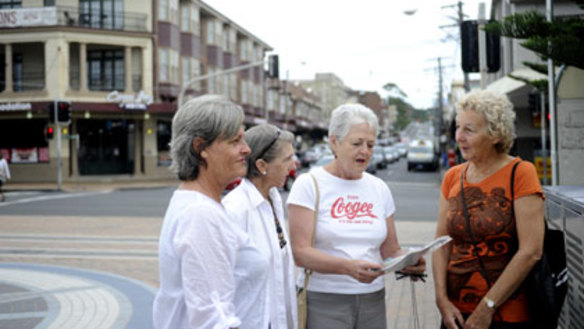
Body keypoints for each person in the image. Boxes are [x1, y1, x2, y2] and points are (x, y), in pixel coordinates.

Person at [287, 103, 426, 329]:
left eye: (370, 144)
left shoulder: (379, 188)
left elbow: (390, 251)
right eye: (356, 143)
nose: (365, 151)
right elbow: (300, 253)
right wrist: (348, 268)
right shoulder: (309, 184)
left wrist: (409, 261)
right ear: (334, 142)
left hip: (373, 299)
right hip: (325, 300)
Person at [153, 95, 269, 329]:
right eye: (235, 141)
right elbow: (212, 319)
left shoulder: (202, 205)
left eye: (244, 139)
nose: (246, 149)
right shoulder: (200, 215)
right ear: (200, 147)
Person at [432, 90, 545, 329]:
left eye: (469, 130)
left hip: (507, 315)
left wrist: (487, 308)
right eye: (458, 127)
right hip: (456, 314)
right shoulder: (453, 176)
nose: (459, 137)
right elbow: (442, 243)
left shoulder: (520, 173)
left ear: (495, 134)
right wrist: (441, 300)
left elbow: (531, 251)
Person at [222, 124, 298, 329]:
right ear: (262, 166)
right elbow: (220, 284)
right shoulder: (235, 209)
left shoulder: (274, 199)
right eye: (287, 159)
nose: (293, 167)